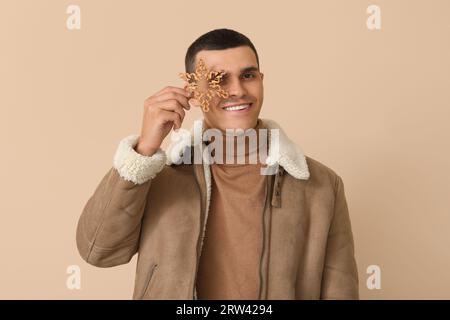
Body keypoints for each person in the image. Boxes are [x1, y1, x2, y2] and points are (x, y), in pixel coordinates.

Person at [76, 28, 359, 300]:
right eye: (219, 79)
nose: (237, 90)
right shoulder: (159, 176)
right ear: (194, 92)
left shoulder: (321, 185)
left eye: (247, 75)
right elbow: (99, 251)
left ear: (261, 79)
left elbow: (340, 289)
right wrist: (144, 150)